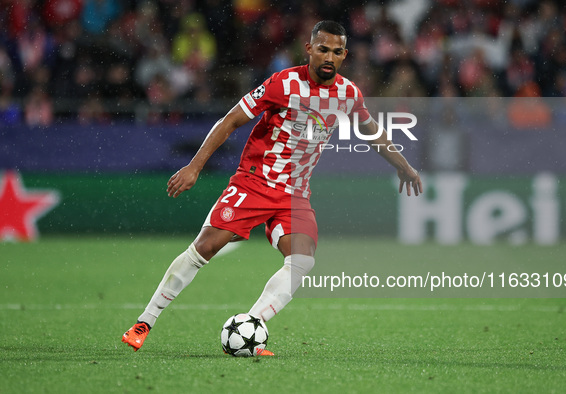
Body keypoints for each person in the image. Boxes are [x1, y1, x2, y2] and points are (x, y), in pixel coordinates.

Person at [122, 20, 422, 355]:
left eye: (337, 52)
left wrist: (405, 167)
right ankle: (144, 322)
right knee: (205, 247)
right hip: (255, 182)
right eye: (322, 48)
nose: (329, 56)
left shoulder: (348, 93)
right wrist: (194, 166)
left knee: (303, 260)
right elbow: (230, 120)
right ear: (309, 49)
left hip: (295, 194)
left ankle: (251, 325)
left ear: (344, 55)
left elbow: (371, 131)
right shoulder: (283, 83)